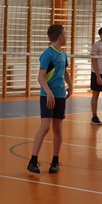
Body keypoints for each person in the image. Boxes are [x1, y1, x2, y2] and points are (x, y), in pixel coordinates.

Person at [28, 24, 71, 175]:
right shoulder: (47, 54)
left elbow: (65, 71)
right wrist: (48, 93)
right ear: (60, 37)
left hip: (60, 95)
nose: (67, 37)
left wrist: (70, 85)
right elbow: (41, 77)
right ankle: (33, 160)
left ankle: (55, 161)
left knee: (57, 129)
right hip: (48, 96)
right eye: (65, 34)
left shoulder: (63, 54)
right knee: (45, 127)